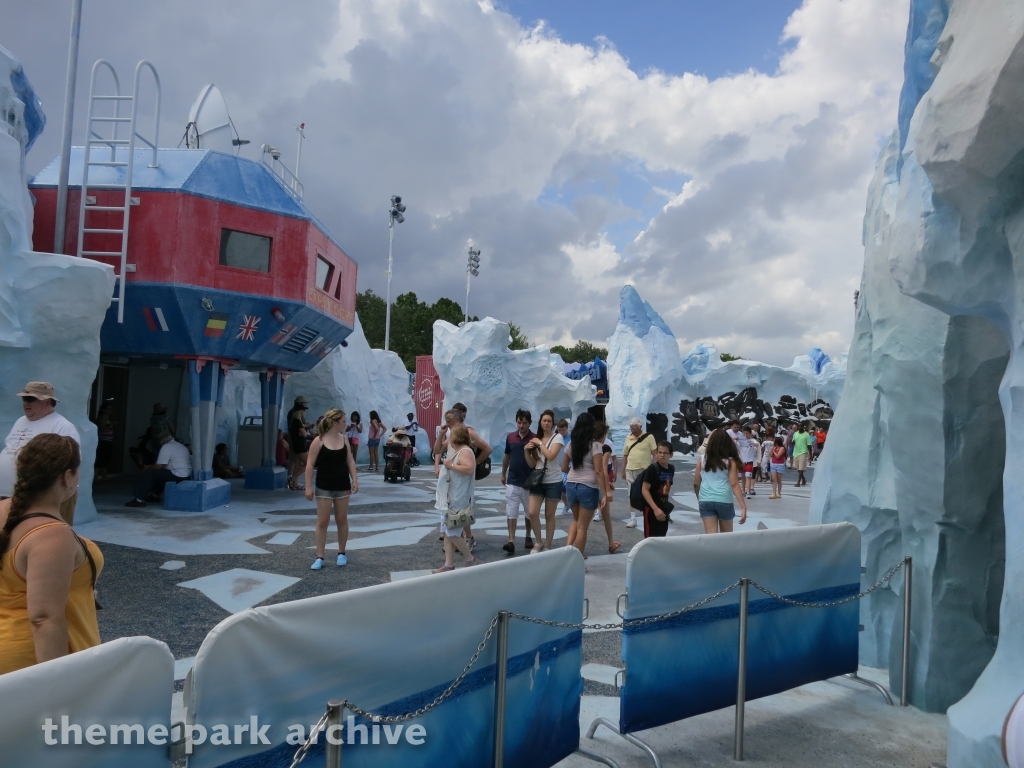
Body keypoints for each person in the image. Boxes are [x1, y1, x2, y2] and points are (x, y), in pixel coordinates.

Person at [0, 434, 102, 675]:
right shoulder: (52, 536)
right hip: (29, 663)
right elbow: (44, 618)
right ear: (67, 476)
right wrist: (56, 685)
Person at [0, 382, 82, 525]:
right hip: (10, 497)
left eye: (31, 399)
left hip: (40, 501)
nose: (26, 403)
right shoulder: (20, 421)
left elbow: (71, 464)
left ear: (47, 402)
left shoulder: (63, 426)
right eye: (24, 399)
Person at [306, 409, 359, 570]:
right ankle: (320, 556)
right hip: (324, 486)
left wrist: (354, 479)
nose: (346, 424)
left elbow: (349, 460)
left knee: (341, 519)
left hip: (342, 485)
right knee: (322, 521)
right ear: (335, 423)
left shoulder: (344, 439)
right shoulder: (319, 440)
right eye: (343, 421)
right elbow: (309, 464)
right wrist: (308, 486)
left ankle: (341, 552)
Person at [561, 413, 611, 561]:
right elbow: (598, 470)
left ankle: (567, 551)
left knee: (576, 521)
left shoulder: (571, 444)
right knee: (583, 526)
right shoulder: (594, 446)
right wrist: (605, 492)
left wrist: (576, 475)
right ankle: (577, 559)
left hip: (571, 485)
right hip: (588, 487)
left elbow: (564, 467)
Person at [432, 425, 479, 573]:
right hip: (452, 498)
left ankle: (470, 559)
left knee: (452, 534)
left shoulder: (465, 451)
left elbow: (469, 469)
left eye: (450, 436)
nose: (449, 440)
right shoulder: (460, 451)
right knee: (447, 532)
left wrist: (450, 465)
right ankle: (449, 564)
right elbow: (437, 450)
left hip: (459, 499)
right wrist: (441, 434)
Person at [693, 428, 747, 533]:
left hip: (706, 499)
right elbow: (734, 484)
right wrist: (743, 507)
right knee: (726, 538)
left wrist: (699, 497)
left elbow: (696, 483)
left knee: (711, 537)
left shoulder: (702, 459)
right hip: (724, 499)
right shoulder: (730, 462)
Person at [525, 410, 564, 553]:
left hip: (553, 480)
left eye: (548, 421)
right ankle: (538, 541)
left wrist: (539, 443)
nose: (546, 423)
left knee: (549, 514)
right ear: (540, 422)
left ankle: (548, 545)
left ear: (552, 423)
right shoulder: (536, 439)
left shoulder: (557, 438)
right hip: (538, 479)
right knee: (532, 512)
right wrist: (526, 451)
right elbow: (532, 464)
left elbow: (551, 456)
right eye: (544, 420)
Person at [501, 409, 537, 554]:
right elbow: (506, 456)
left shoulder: (534, 439)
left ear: (530, 423)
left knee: (529, 513)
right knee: (511, 512)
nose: (521, 425)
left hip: (529, 481)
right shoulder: (510, 437)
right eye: (519, 422)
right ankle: (511, 540)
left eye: (524, 423)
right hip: (513, 480)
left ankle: (528, 535)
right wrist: (503, 473)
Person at [125, 430, 192, 507]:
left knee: (149, 473)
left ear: (162, 440)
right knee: (161, 474)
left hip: (178, 475)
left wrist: (147, 467)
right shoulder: (179, 445)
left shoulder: (167, 447)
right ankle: (154, 496)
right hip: (186, 475)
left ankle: (139, 500)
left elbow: (158, 466)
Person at [621, 417, 657, 529]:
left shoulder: (649, 437)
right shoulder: (628, 438)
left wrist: (654, 468)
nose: (632, 431)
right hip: (630, 469)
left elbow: (655, 454)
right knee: (631, 493)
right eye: (631, 428)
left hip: (645, 470)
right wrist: (623, 469)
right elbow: (625, 455)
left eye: (634, 428)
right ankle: (633, 519)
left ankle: (649, 516)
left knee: (647, 493)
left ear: (640, 427)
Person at [592, 422, 621, 553]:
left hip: (586, 483)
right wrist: (607, 490)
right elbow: (603, 469)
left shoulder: (588, 446)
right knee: (606, 516)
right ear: (604, 434)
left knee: (581, 521)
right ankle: (610, 543)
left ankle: (575, 547)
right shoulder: (605, 448)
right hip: (599, 485)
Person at [640, 442, 675, 538]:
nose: (662, 455)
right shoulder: (652, 469)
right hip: (651, 508)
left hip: (663, 507)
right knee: (651, 537)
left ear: (671, 455)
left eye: (665, 453)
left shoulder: (671, 468)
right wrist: (655, 509)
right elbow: (645, 490)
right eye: (659, 452)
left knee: (662, 535)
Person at [287, 398, 312, 490]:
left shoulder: (295, 418)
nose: (304, 411)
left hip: (297, 442)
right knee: (308, 463)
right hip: (299, 444)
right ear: (300, 409)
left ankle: (294, 483)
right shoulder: (297, 419)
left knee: (297, 462)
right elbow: (304, 434)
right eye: (303, 409)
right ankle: (292, 479)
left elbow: (300, 429)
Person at [93, 401, 115, 482]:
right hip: (104, 441)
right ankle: (97, 477)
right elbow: (102, 428)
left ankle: (103, 476)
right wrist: (111, 425)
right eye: (108, 409)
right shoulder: (102, 417)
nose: (110, 411)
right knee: (101, 459)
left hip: (107, 441)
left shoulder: (106, 417)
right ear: (104, 409)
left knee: (105, 459)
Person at [739, 425, 758, 498]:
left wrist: (751, 443)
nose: (745, 435)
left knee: (748, 476)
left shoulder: (752, 440)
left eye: (747, 433)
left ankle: (748, 492)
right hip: (741, 461)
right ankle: (743, 491)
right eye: (744, 433)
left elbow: (757, 444)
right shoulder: (740, 440)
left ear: (750, 434)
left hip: (749, 461)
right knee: (742, 477)